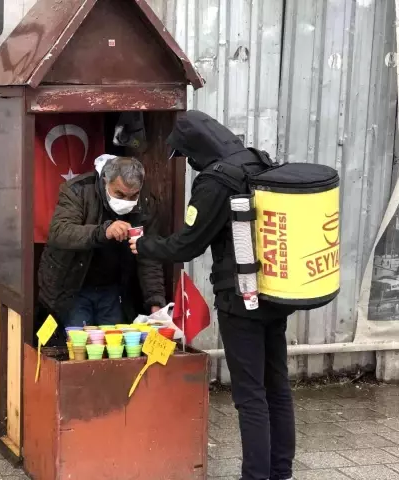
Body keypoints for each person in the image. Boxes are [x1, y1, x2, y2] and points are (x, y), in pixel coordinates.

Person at [129, 111, 295, 480]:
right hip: (274, 292)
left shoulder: (214, 181)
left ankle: (255, 476)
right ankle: (281, 472)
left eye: (186, 156)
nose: (188, 164)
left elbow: (188, 244)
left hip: (239, 299)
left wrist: (145, 245)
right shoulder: (255, 160)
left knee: (250, 395)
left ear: (196, 150)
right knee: (277, 387)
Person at [37, 155, 166, 331]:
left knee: (114, 345)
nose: (127, 202)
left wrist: (155, 302)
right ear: (105, 180)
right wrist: (103, 231)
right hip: (73, 286)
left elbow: (149, 255)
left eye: (133, 195)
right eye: (119, 194)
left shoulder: (145, 203)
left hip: (112, 289)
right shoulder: (78, 190)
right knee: (78, 345)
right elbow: (60, 232)